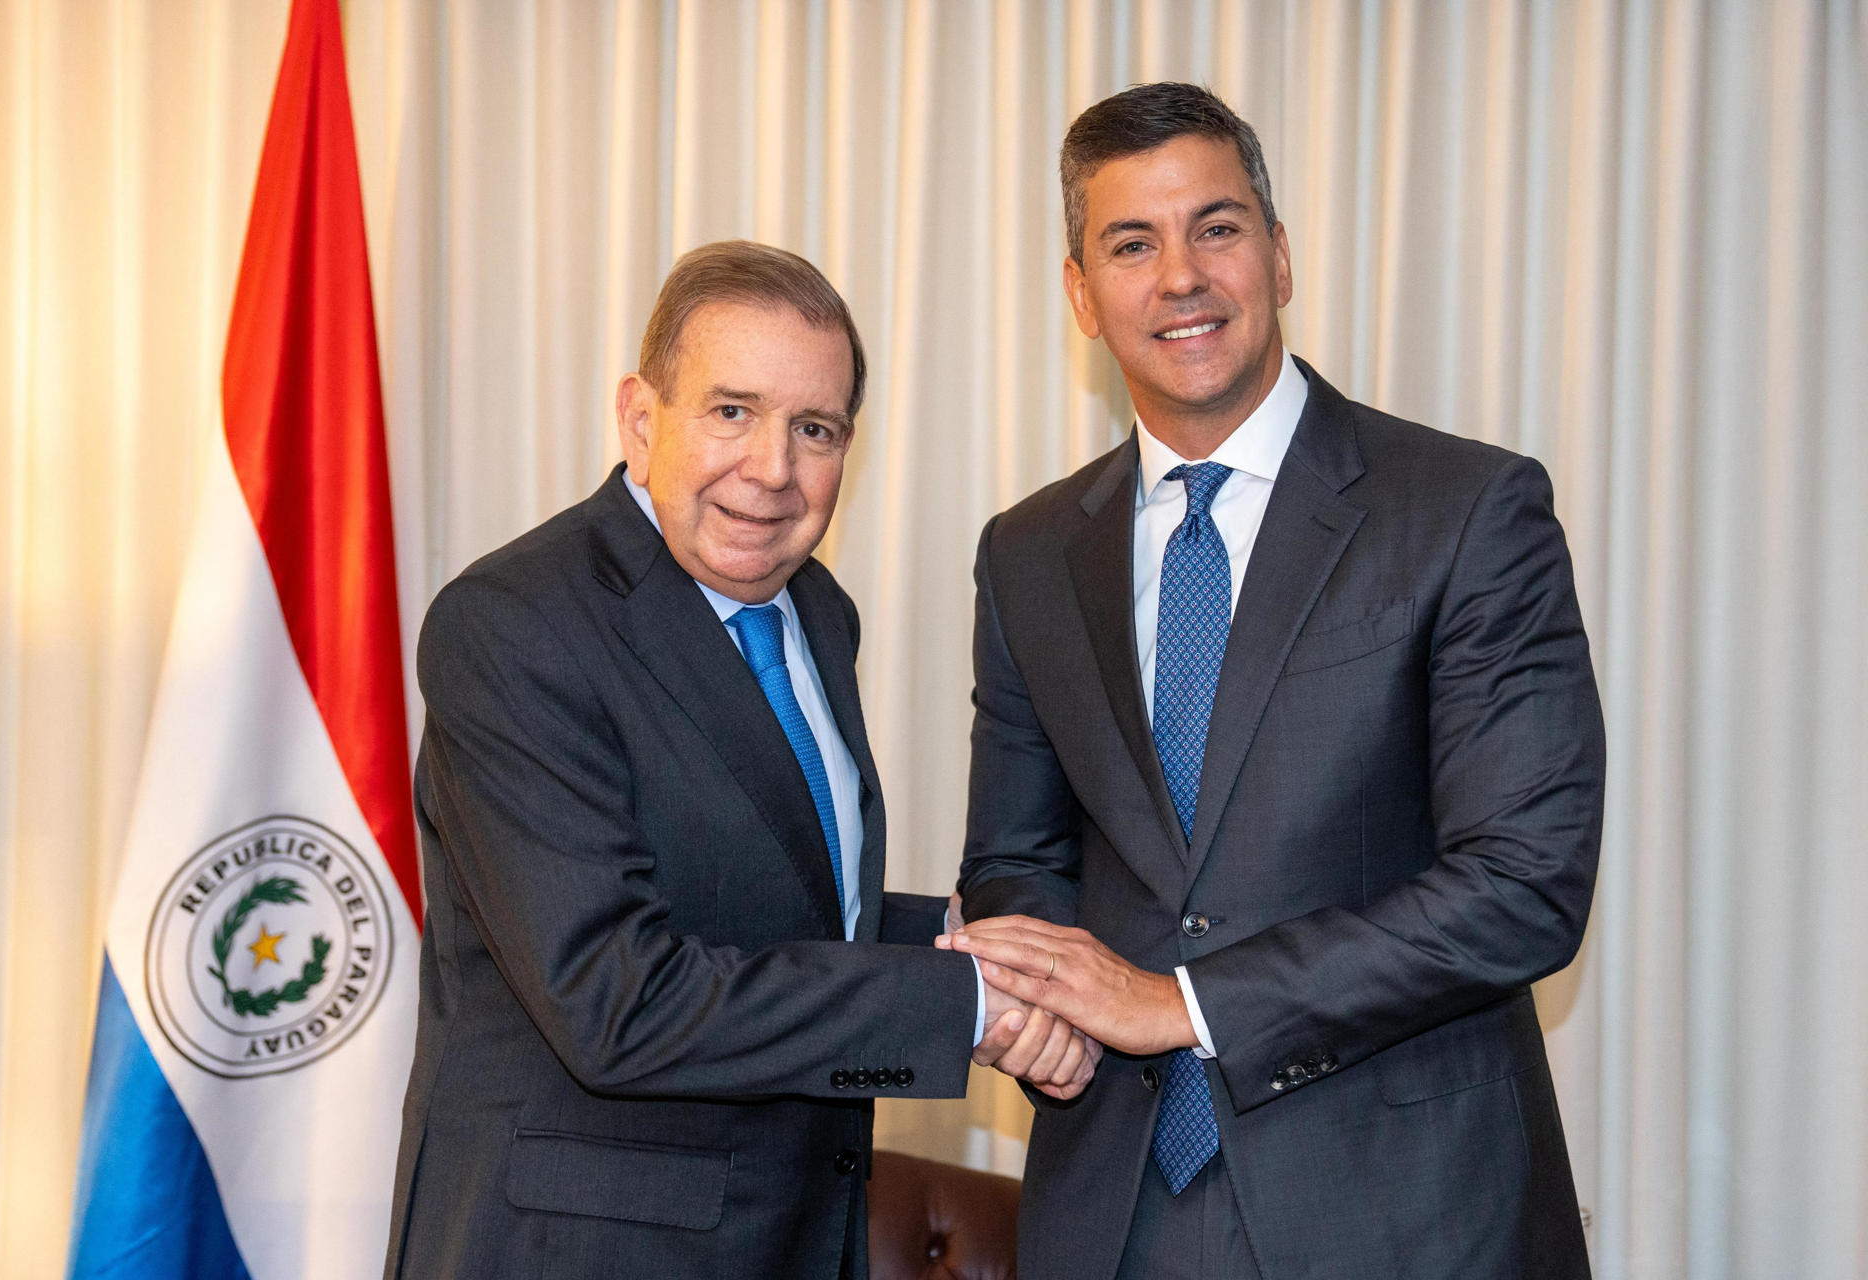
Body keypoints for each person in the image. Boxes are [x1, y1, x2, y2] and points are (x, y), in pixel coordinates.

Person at [942, 83, 1605, 1279]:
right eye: (1131, 244)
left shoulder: (1464, 511)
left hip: (1409, 1215)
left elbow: (1524, 883)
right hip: (1115, 1209)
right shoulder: (1028, 551)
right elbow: (1014, 854)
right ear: (1081, 295)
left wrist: (1184, 1001)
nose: (1181, 276)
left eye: (1219, 226)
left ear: (1281, 255)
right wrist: (1041, 997)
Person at [384, 240, 1093, 1280]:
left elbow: (777, 901)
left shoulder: (814, 610)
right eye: (731, 411)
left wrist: (959, 939)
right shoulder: (513, 626)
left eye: (816, 428)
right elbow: (615, 998)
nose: (773, 469)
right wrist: (970, 1006)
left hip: (794, 1231)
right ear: (639, 416)